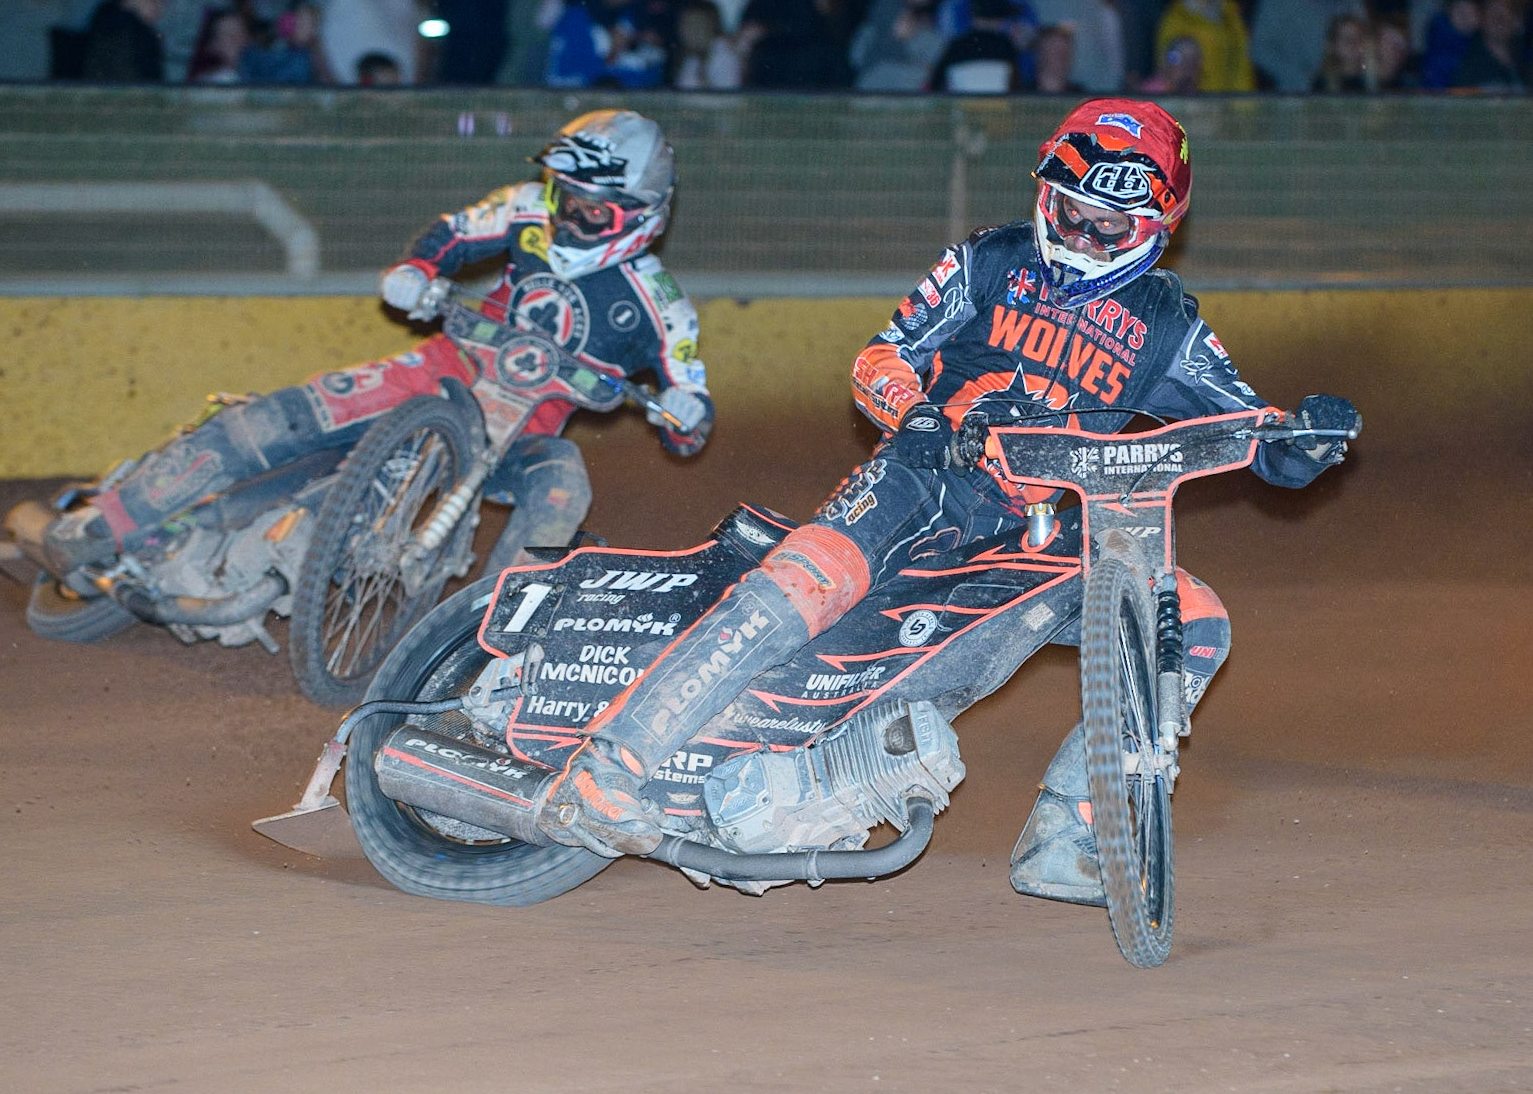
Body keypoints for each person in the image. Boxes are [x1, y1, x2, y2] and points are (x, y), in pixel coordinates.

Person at [527, 99, 1358, 912]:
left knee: (1199, 620)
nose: (1078, 237)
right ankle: (606, 771)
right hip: (925, 474)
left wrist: (1304, 440)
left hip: (1041, 525)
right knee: (807, 580)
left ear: (1156, 227)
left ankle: (1069, 833)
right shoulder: (987, 258)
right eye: (1067, 211)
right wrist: (921, 416)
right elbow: (881, 355)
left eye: (1105, 226)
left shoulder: (1167, 324)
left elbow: (1253, 433)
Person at [32, 110, 713, 587]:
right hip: (439, 374)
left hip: (519, 435)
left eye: (592, 209)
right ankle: (102, 524)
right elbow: (451, 234)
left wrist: (685, 412)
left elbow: (690, 408)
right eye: (565, 197)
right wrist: (418, 271)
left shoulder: (659, 303)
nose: (569, 216)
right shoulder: (523, 208)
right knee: (286, 416)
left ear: (643, 212)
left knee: (563, 486)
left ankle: (492, 654)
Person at [1155, 0, 1255, 92]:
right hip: (1193, 100)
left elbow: (1242, 63)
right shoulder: (1175, 16)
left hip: (1228, 100)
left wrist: (1244, 105)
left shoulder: (1231, 14)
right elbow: (1165, 65)